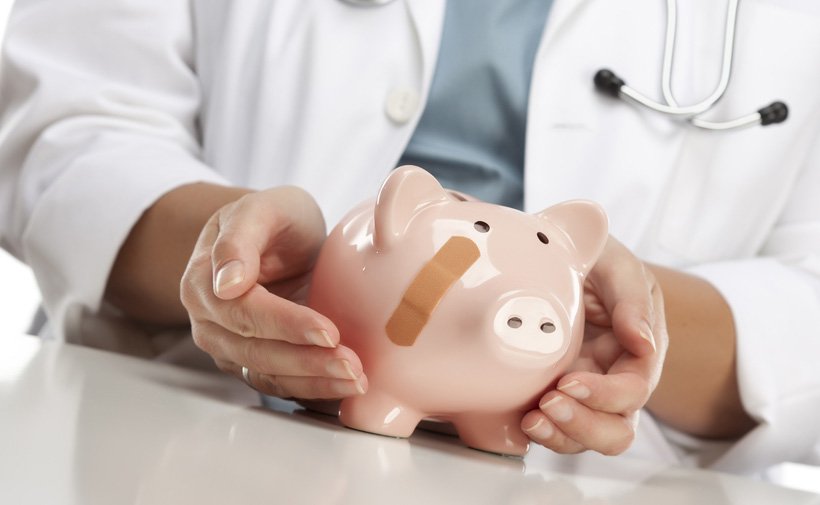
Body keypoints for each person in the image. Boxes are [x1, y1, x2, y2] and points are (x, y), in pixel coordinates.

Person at [1, 0, 818, 479]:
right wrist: (236, 256)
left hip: (591, 476)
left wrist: (603, 328)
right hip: (173, 434)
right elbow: (66, 124)